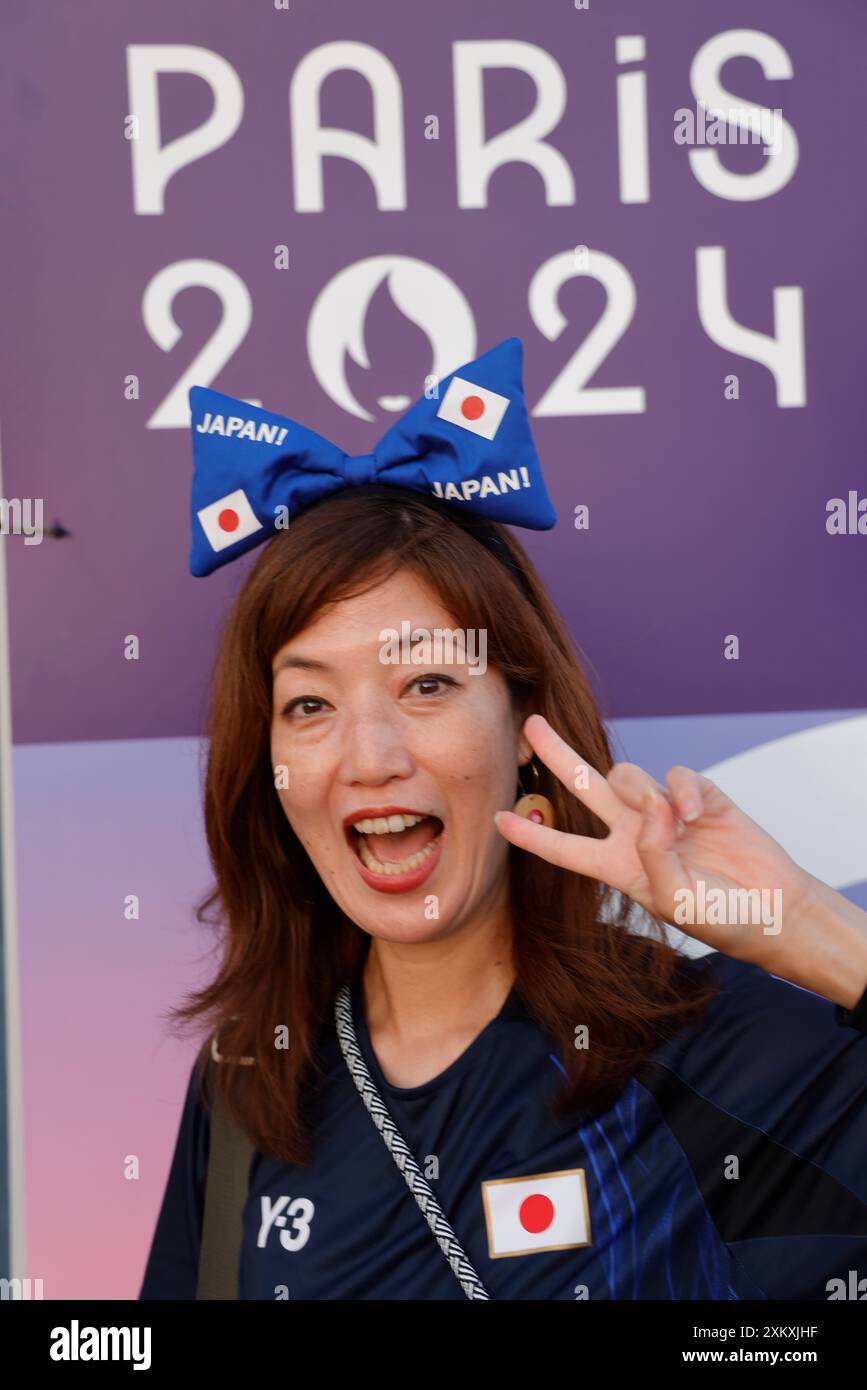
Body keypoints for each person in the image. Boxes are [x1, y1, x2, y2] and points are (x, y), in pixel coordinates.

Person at [140, 339, 867, 1301]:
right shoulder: (245, 1082)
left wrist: (807, 924)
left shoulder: (714, 1047)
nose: (370, 757)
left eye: (429, 683)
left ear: (525, 726)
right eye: (309, 705)